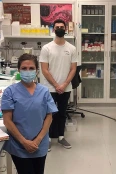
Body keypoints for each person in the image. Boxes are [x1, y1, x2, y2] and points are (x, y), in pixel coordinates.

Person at [1, 53, 58, 174]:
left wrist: (38, 139)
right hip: (20, 148)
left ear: (36, 70)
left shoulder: (44, 91)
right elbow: (8, 121)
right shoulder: (10, 92)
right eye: (24, 68)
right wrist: (24, 142)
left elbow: (49, 116)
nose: (27, 72)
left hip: (39, 146)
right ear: (19, 70)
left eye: (31, 68)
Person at [40, 19, 77, 151]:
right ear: (53, 29)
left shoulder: (71, 48)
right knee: (49, 114)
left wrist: (64, 84)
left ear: (65, 29)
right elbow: (44, 69)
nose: (60, 28)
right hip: (50, 88)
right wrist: (56, 85)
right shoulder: (47, 48)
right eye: (57, 27)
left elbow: (73, 69)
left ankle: (61, 137)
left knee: (62, 113)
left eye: (62, 27)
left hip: (65, 88)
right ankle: (48, 138)